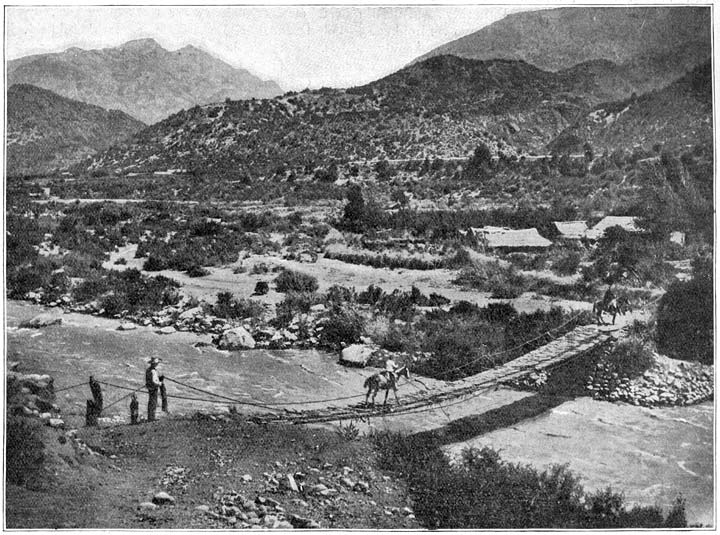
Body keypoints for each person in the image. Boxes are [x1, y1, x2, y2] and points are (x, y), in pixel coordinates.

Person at [145, 357, 162, 422]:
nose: (157, 365)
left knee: (151, 402)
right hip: (154, 388)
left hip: (150, 388)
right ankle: (152, 418)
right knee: (153, 402)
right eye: (156, 363)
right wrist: (159, 383)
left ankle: (150, 417)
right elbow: (154, 381)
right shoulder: (153, 371)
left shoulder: (148, 370)